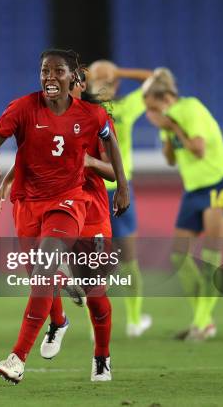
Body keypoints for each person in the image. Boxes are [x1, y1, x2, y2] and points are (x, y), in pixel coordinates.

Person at [0, 49, 129, 384]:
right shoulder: (28, 108)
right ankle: (57, 321)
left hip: (85, 206)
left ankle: (99, 357)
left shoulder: (94, 117)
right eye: (45, 72)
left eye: (59, 73)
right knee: (41, 276)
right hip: (33, 204)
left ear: (75, 78)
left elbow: (112, 164)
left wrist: (115, 180)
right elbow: (35, 152)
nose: (51, 79)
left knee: (92, 289)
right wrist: (2, 181)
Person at [143, 68, 223, 341]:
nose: (151, 114)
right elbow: (171, 159)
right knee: (178, 256)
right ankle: (202, 321)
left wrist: (172, 127)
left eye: (153, 107)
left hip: (217, 185)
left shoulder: (190, 109)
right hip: (193, 190)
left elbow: (198, 149)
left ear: (167, 97)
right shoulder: (168, 120)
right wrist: (165, 132)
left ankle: (201, 323)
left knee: (209, 258)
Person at [87, 60, 153, 337]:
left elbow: (153, 78)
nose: (108, 84)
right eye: (104, 80)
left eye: (110, 80)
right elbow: (152, 77)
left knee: (102, 260)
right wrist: (119, 73)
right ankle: (133, 321)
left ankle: (107, 323)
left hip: (99, 189)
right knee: (124, 259)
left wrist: (106, 73)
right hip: (112, 189)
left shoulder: (83, 110)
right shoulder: (119, 108)